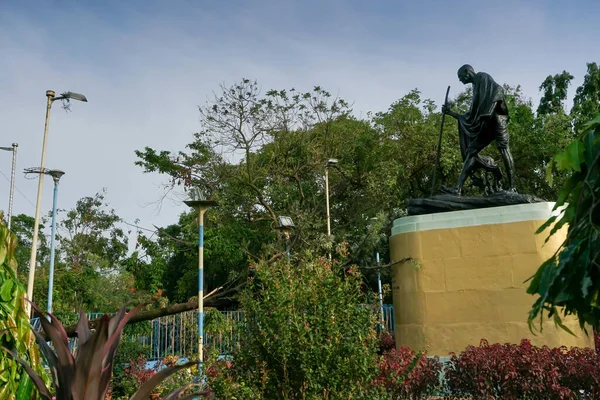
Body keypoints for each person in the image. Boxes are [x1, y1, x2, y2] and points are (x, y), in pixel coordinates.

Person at [441, 64, 516, 196]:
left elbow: (498, 90)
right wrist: (451, 113)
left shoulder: (482, 77)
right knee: (471, 151)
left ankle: (512, 187)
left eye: (460, 76)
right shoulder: (475, 88)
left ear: (467, 72)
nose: (460, 80)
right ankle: (457, 188)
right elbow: (470, 115)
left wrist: (489, 111)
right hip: (486, 123)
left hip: (497, 119)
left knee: (504, 149)